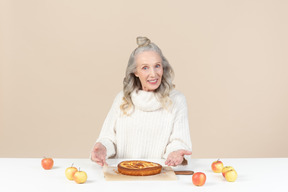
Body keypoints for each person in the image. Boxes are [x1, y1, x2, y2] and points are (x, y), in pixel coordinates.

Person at [91, 37, 192, 167]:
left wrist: (176, 153)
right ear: (135, 72)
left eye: (157, 66)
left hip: (160, 176)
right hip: (124, 175)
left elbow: (179, 141)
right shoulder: (122, 98)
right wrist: (102, 148)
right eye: (145, 68)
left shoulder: (177, 100)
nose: (153, 74)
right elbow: (108, 138)